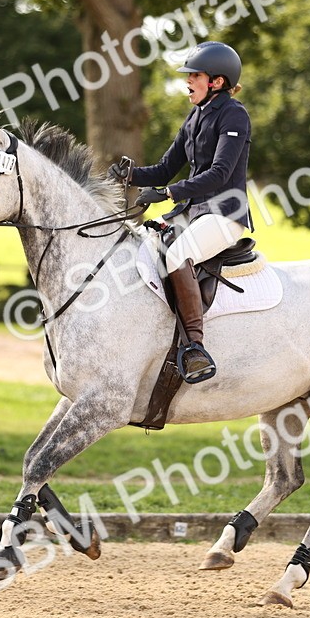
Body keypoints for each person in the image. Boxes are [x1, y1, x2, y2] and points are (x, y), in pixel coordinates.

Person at [108, 41, 253, 383]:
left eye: (194, 75)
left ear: (216, 82)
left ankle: (195, 348)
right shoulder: (195, 117)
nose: (187, 81)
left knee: (176, 256)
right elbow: (164, 169)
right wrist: (130, 175)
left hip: (224, 213)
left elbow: (218, 173)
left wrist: (169, 193)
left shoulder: (234, 115)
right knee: (141, 243)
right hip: (193, 211)